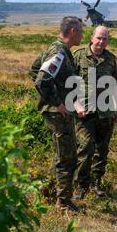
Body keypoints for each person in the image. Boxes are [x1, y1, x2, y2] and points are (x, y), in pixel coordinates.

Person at [33, 16, 85, 213]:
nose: (82, 34)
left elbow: (34, 69)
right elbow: (41, 80)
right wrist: (57, 103)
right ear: (72, 31)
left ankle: (48, 191)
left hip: (58, 110)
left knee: (61, 153)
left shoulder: (57, 49)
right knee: (67, 156)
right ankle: (63, 202)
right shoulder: (59, 52)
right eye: (80, 31)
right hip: (57, 113)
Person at [72, 26, 117, 199]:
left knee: (102, 149)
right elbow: (68, 83)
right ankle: (81, 185)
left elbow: (116, 84)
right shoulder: (78, 56)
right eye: (99, 38)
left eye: (105, 39)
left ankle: (96, 182)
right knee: (85, 148)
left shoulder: (110, 59)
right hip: (84, 112)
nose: (101, 42)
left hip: (106, 112)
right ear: (92, 38)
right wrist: (76, 105)